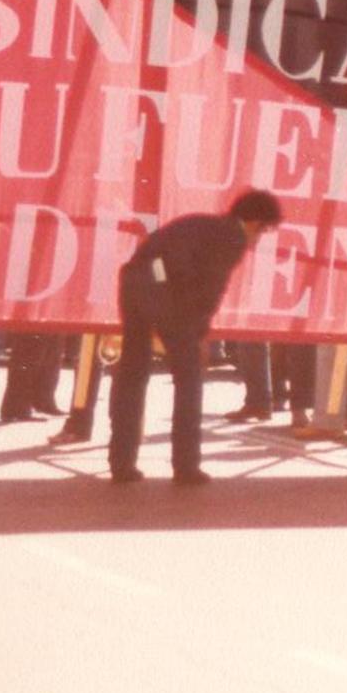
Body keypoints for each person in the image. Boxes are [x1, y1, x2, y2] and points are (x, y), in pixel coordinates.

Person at [106, 191, 282, 484]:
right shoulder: (232, 238)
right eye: (262, 230)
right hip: (166, 293)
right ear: (252, 223)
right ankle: (186, 466)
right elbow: (210, 288)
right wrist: (197, 332)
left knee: (133, 375)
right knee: (188, 380)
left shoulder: (201, 224)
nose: (258, 239)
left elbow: (160, 254)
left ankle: (121, 463)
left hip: (135, 280)